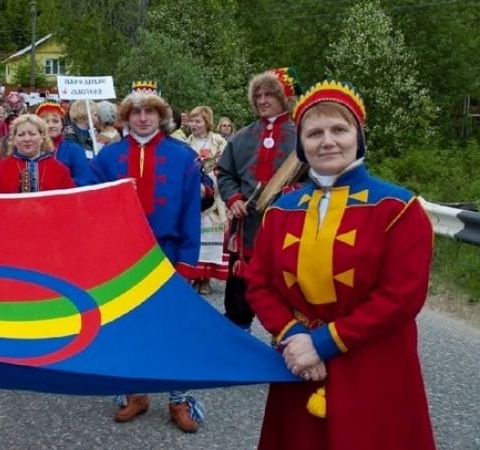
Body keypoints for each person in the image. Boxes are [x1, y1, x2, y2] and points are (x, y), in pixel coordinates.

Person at [246, 81, 436, 450]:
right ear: (301, 145)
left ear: (358, 137)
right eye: (314, 133)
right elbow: (259, 283)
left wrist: (324, 342)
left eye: (339, 130)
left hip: (374, 362)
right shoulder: (281, 211)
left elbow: (402, 297)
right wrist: (293, 336)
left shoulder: (399, 209)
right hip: (300, 361)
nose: (327, 141)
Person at [92, 81, 204, 433]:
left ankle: (179, 398)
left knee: (177, 328)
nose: (143, 118)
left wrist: (187, 261)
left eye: (150, 111)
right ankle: (134, 392)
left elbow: (190, 213)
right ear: (126, 117)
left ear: (161, 115)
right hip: (122, 257)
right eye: (136, 111)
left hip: (168, 253)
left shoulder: (184, 156)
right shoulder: (107, 157)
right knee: (127, 325)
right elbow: (92, 209)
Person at [217, 67, 302, 333]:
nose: (262, 100)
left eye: (270, 95)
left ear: (285, 98)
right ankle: (236, 355)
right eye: (258, 95)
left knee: (287, 298)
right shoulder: (241, 137)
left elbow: (318, 179)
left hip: (287, 232)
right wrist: (233, 198)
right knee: (238, 302)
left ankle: (288, 347)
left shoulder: (304, 137)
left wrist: (294, 196)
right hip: (247, 233)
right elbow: (224, 173)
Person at [184, 106, 229, 295]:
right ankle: (195, 275)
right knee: (196, 236)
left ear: (207, 122)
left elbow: (227, 166)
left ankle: (206, 279)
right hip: (194, 193)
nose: (194, 125)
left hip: (214, 194)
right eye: (192, 121)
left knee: (211, 236)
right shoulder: (186, 143)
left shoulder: (219, 142)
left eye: (198, 121)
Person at [0, 114, 74, 193]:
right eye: (21, 134)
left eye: (32, 134)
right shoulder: (0, 168)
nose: (27, 139)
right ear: (14, 139)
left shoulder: (59, 170)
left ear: (42, 137)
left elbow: (68, 202)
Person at [34, 100, 96, 186]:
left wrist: (61, 182)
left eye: (55, 121)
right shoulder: (31, 149)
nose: (51, 125)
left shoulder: (74, 150)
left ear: (62, 124)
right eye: (46, 122)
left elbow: (84, 180)